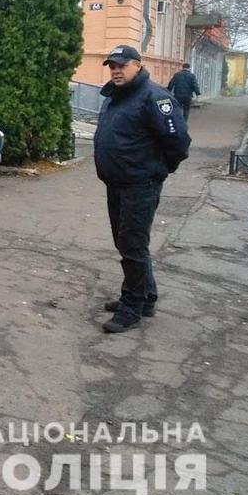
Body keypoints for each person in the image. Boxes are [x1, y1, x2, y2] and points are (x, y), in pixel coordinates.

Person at [94, 45, 190, 333]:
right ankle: (145, 297)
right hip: (117, 183)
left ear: (138, 65)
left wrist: (157, 171)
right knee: (128, 244)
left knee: (133, 247)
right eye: (112, 65)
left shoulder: (155, 98)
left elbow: (178, 143)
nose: (115, 70)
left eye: (122, 65)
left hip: (140, 185)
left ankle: (132, 307)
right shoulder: (114, 96)